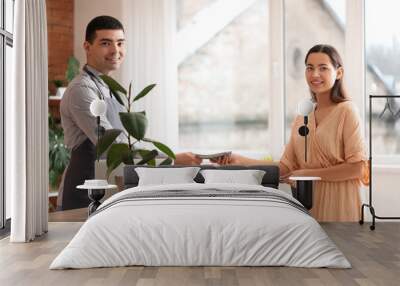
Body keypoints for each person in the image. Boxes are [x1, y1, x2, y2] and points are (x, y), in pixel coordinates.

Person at [57, 16, 201, 211]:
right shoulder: (82, 89)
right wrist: (170, 159)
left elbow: (127, 141)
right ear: (87, 46)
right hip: (85, 192)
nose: (115, 50)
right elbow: (112, 144)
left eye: (120, 43)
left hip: (110, 186)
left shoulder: (113, 89)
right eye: (106, 43)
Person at [214, 44, 368, 222]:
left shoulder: (347, 111)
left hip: (341, 204)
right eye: (310, 68)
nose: (315, 74)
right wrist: (239, 161)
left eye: (323, 68)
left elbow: (357, 168)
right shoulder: (303, 116)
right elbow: (286, 168)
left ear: (338, 73)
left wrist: (306, 174)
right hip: (308, 204)